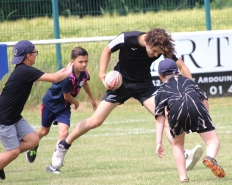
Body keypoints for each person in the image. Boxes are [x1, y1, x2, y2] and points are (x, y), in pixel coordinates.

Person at [51, 28, 203, 171]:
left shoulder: (161, 47)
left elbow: (182, 67)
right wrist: (102, 75)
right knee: (95, 121)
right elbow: (107, 49)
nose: (157, 55)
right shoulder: (128, 38)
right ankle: (63, 146)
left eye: (159, 53)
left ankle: (183, 153)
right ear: (149, 43)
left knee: (165, 118)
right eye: (155, 51)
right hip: (120, 84)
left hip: (144, 86)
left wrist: (192, 90)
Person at [0, 40, 73, 183]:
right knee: (13, 151)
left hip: (13, 116)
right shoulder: (25, 71)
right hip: (2, 117)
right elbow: (54, 78)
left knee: (33, 140)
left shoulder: (23, 69)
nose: (36, 55)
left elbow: (55, 75)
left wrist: (65, 70)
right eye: (35, 52)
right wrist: (70, 72)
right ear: (28, 56)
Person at [26, 47, 97, 173]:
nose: (84, 64)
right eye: (81, 62)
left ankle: (54, 164)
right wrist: (76, 102)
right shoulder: (68, 76)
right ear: (72, 62)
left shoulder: (84, 73)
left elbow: (84, 82)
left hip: (64, 107)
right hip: (50, 104)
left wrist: (92, 98)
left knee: (64, 134)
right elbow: (67, 96)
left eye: (86, 61)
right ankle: (33, 145)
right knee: (44, 131)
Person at [155, 58, 225, 182]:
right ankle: (210, 157)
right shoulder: (188, 81)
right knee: (213, 141)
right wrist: (206, 119)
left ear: (160, 76)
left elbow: (160, 118)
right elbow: (204, 99)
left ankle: (183, 177)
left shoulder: (161, 90)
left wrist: (159, 142)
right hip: (196, 108)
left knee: (177, 144)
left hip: (177, 112)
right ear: (177, 72)